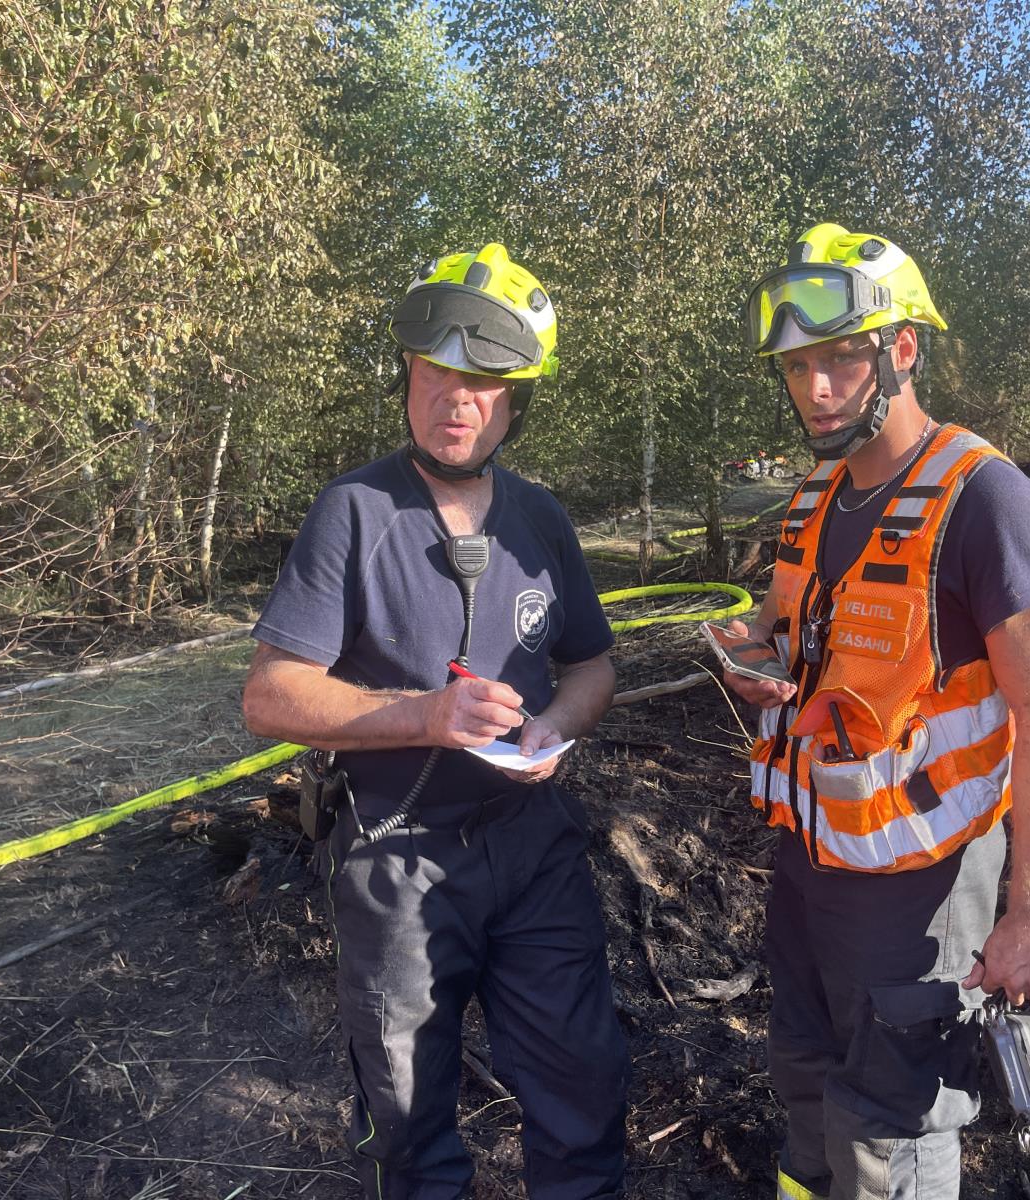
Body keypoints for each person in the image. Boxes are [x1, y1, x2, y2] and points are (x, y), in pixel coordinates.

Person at [241, 244, 628, 1198]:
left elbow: (592, 663)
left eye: (482, 382)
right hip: (396, 852)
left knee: (583, 1087)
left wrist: (555, 724)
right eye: (434, 373)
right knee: (410, 1127)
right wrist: (426, 714)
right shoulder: (354, 510)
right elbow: (271, 695)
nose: (455, 400)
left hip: (532, 845)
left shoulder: (541, 519)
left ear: (516, 401)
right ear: (406, 378)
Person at [725, 223, 1030, 1199]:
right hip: (808, 862)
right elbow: (795, 644)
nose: (817, 388)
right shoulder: (815, 498)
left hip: (922, 895)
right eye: (798, 366)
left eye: (842, 358)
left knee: (893, 1126)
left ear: (904, 349)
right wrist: (754, 662)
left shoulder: (987, 501)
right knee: (804, 1076)